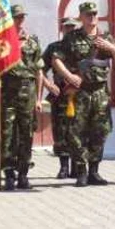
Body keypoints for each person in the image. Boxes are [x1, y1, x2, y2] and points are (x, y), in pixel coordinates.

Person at [52, 2, 115, 187]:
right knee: (76, 132)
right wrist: (69, 76)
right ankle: (81, 171)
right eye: (88, 14)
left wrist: (111, 47)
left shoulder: (106, 37)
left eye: (94, 13)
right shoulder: (72, 38)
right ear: (81, 17)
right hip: (80, 92)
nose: (92, 17)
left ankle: (94, 171)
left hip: (100, 91)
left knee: (100, 131)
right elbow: (55, 59)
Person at [0, 5, 45, 191]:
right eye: (16, 17)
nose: (20, 20)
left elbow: (39, 72)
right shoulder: (2, 41)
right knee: (7, 135)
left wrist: (39, 99)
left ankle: (23, 174)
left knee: (27, 136)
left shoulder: (32, 41)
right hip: (8, 95)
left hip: (28, 95)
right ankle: (9, 174)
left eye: (22, 17)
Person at [42, 17, 79, 180]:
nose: (70, 30)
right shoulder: (53, 48)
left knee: (79, 130)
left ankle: (77, 167)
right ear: (61, 29)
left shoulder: (81, 46)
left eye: (72, 27)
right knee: (61, 131)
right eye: (67, 27)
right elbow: (39, 69)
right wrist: (49, 85)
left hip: (80, 95)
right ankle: (64, 167)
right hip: (61, 94)